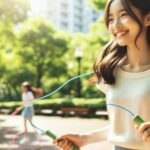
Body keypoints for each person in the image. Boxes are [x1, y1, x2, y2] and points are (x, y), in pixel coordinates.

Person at [54, 0, 150, 149]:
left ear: (147, 19)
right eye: (111, 19)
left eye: (124, 15)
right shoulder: (110, 72)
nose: (115, 25)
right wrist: (83, 139)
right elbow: (120, 127)